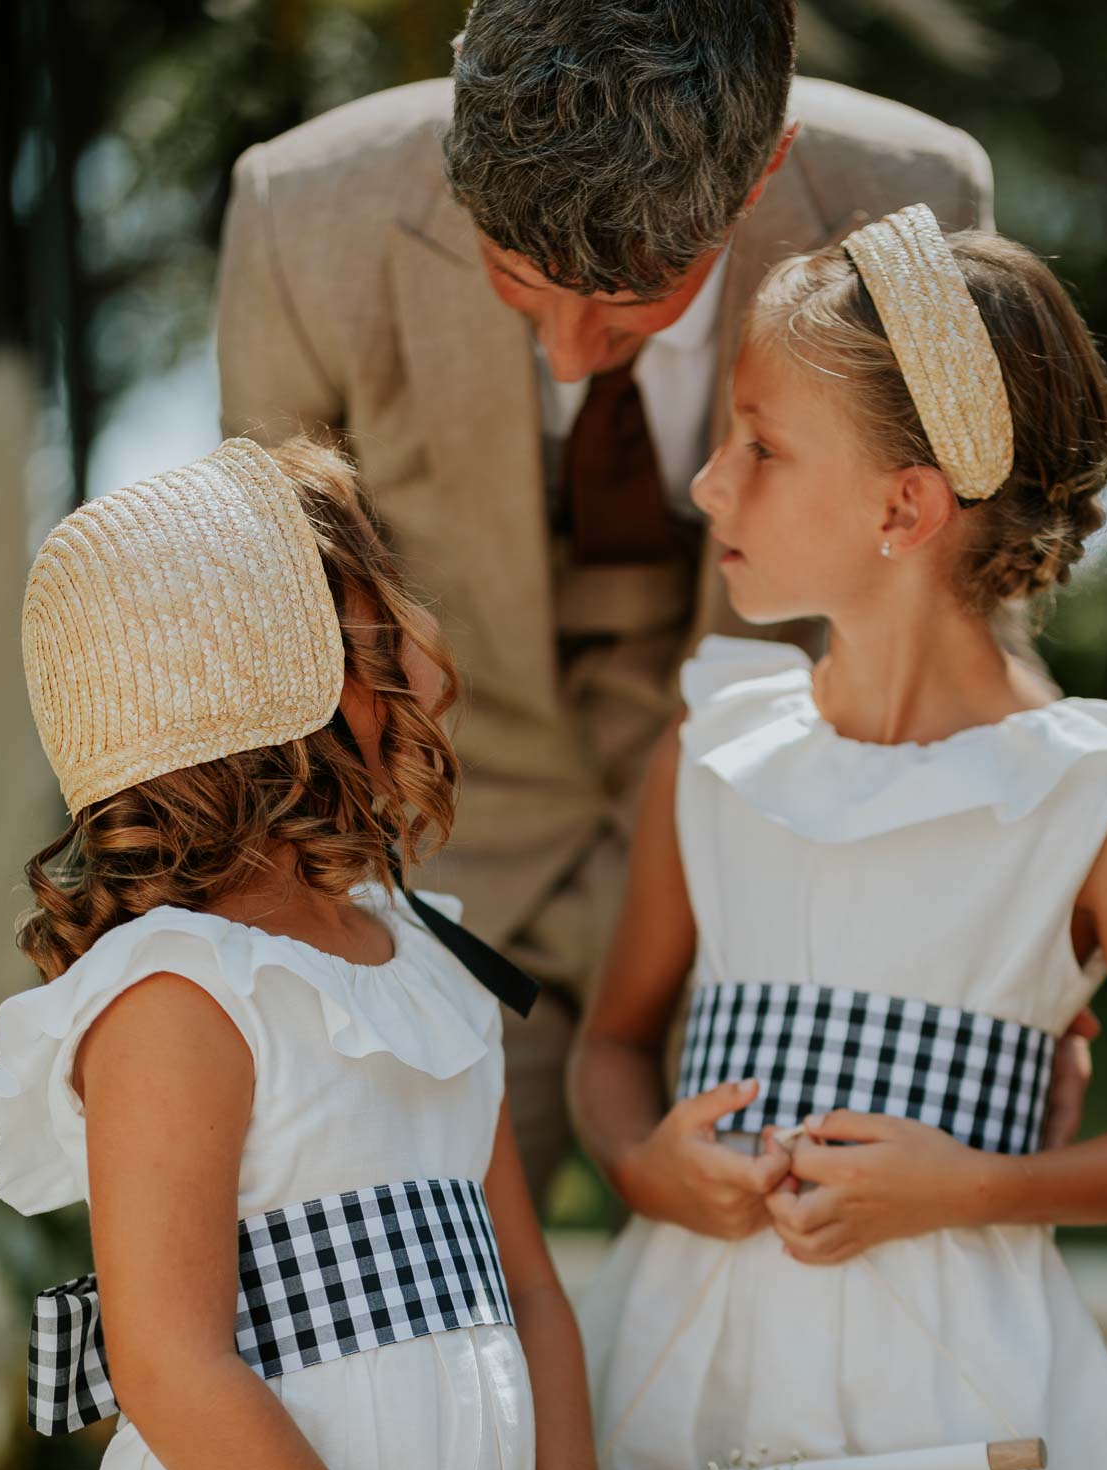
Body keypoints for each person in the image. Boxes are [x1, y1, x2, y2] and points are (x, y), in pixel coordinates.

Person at [215, 0, 1017, 1196]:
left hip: (779, 856)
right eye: (511, 277)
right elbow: (275, 611)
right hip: (444, 848)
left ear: (763, 174)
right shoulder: (301, 213)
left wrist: (1014, 923)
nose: (569, 354)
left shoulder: (912, 202)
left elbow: (960, 585)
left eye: (630, 301)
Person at [570, 206, 1107, 1470]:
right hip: (684, 1369)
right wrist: (644, 1167)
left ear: (904, 505)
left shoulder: (1093, 795)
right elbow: (613, 1045)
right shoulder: (716, 743)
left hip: (959, 1386)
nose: (710, 484)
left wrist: (967, 1189)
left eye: (758, 444)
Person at [0, 437, 648, 1470]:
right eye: (371, 612)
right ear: (272, 683)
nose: (413, 634)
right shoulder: (182, 994)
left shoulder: (432, 961)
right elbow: (169, 1364)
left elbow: (525, 1285)